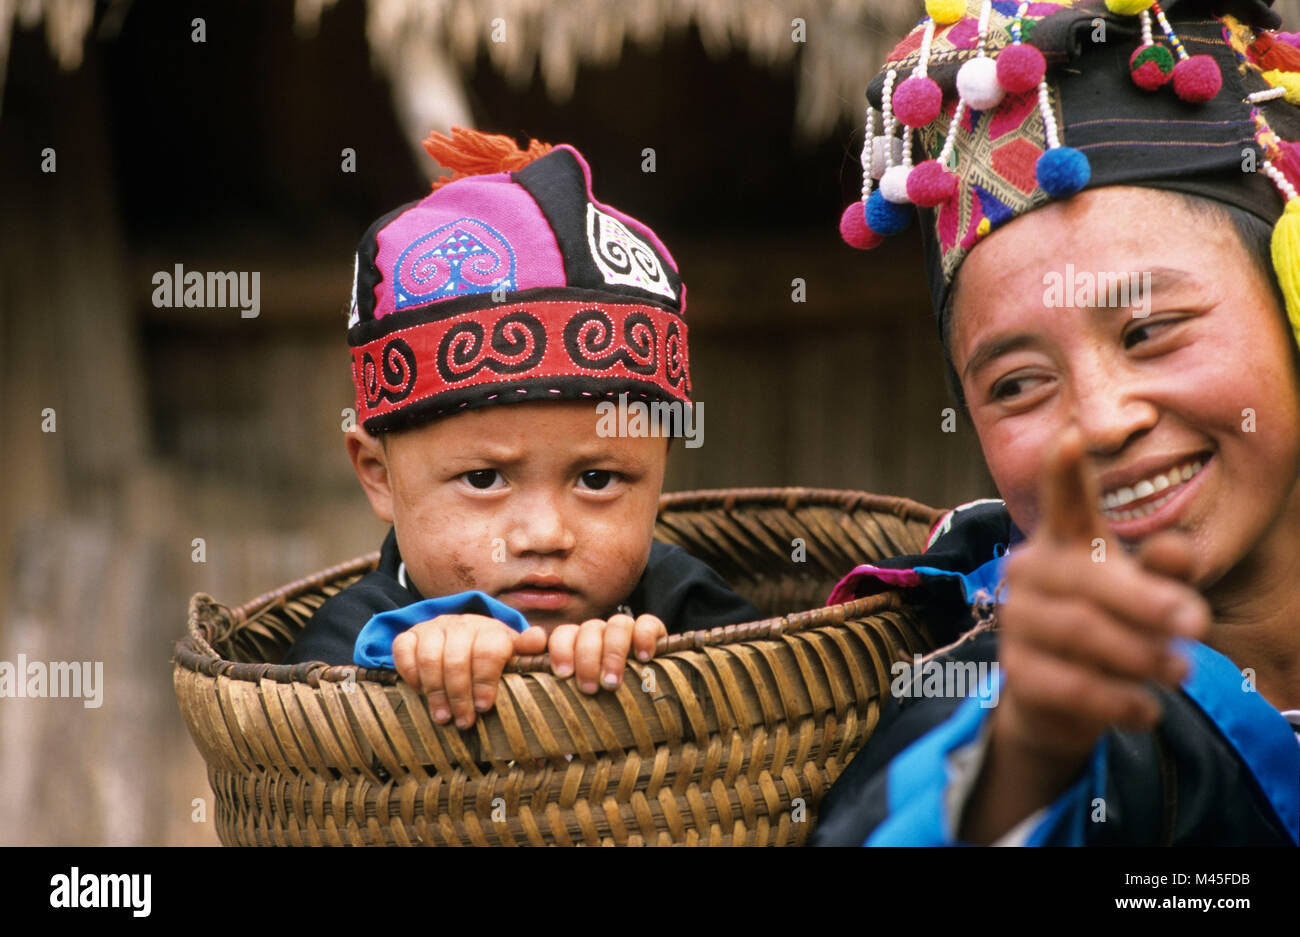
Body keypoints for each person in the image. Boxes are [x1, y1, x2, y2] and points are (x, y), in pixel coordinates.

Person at [815, 0, 1300, 845]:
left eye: (1148, 332)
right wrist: (1025, 766)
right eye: (1019, 384)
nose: (1102, 420)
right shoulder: (989, 693)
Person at [281, 128, 759, 731]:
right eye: (483, 478)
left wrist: (657, 670)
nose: (544, 535)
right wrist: (424, 663)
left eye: (596, 478)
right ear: (378, 476)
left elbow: (776, 704)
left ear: (662, 466)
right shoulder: (352, 633)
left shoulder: (681, 600)